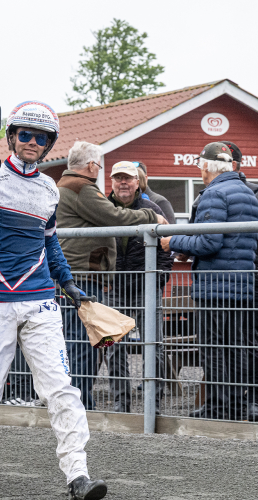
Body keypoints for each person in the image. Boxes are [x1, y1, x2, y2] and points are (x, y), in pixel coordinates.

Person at [0, 101, 107, 500]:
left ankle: (78, 475)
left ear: (48, 145)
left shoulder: (49, 189)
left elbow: (50, 245)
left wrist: (69, 285)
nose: (32, 142)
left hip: (41, 303)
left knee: (62, 391)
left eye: (41, 137)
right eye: (25, 134)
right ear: (11, 137)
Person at [56, 141, 165, 410]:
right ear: (92, 165)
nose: (119, 182)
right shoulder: (82, 188)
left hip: (98, 277)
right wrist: (151, 216)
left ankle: (83, 400)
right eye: (110, 172)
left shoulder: (70, 186)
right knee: (84, 343)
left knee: (91, 341)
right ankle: (80, 403)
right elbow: (112, 217)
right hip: (86, 277)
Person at [161, 142, 258, 420]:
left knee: (214, 348)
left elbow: (209, 241)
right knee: (236, 347)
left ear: (207, 166)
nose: (200, 172)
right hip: (241, 283)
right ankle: (238, 405)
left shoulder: (214, 194)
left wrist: (173, 241)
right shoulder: (247, 192)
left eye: (200, 166)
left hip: (215, 284)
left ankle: (218, 406)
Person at [105, 161, 174, 414]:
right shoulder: (102, 207)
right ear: (111, 182)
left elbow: (167, 250)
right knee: (112, 347)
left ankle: (151, 407)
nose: (123, 183)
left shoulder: (152, 208)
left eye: (128, 179)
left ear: (137, 182)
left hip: (146, 287)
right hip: (113, 288)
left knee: (153, 345)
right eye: (118, 178)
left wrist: (157, 280)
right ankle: (120, 404)